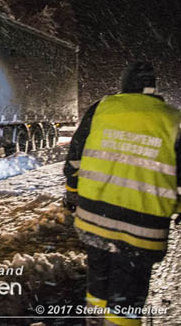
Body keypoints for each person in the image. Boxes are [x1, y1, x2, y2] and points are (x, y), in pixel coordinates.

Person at [63, 62, 181, 326]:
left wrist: (72, 192)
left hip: (95, 219)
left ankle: (94, 321)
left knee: (98, 283)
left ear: (124, 85)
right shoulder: (173, 120)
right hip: (142, 229)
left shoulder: (101, 108)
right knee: (127, 298)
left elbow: (74, 159)